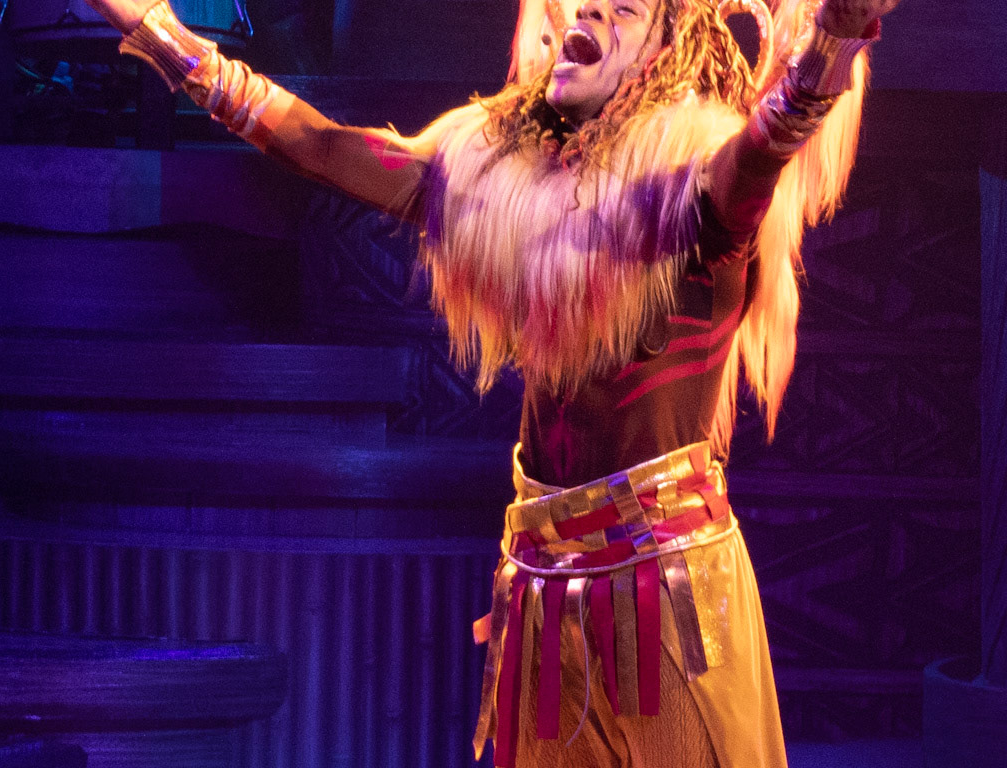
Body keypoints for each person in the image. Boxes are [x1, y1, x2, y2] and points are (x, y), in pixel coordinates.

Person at [81, 0, 901, 764]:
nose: (588, 8)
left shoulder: (694, 190)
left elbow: (770, 140)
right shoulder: (492, 179)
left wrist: (832, 41)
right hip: (539, 584)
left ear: (664, 52)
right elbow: (322, 147)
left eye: (625, 7)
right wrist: (160, 31)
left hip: (668, 592)